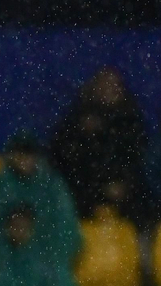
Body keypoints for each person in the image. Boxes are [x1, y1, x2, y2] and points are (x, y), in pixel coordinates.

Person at [0, 131, 81, 272]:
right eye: (19, 154)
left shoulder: (51, 187)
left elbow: (66, 228)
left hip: (44, 264)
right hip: (2, 263)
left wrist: (51, 260)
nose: (24, 159)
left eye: (28, 154)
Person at [50, 66, 153, 224]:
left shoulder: (131, 124)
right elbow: (66, 162)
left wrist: (123, 184)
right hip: (87, 197)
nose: (109, 90)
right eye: (105, 85)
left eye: (114, 85)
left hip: (127, 198)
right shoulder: (76, 123)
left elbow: (138, 162)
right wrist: (100, 188)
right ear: (94, 88)